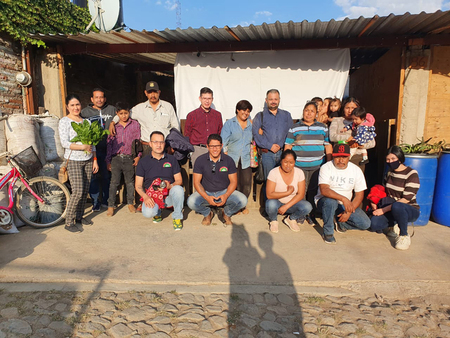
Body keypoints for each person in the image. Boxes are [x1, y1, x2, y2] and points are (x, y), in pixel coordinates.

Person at [285, 101, 332, 224]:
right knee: (301, 190)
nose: (309, 113)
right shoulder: (295, 128)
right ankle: (302, 213)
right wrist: (287, 163)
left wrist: (328, 163)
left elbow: (327, 145)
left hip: (317, 165)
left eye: (312, 111)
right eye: (307, 110)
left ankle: (311, 214)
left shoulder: (323, 127)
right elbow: (288, 146)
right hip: (299, 165)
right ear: (303, 112)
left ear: (316, 114)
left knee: (313, 190)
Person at [315, 143, 371, 244]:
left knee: (365, 223)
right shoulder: (326, 167)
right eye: (338, 157)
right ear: (333, 156)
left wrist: (349, 212)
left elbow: (359, 194)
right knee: (331, 202)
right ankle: (328, 232)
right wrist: (344, 199)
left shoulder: (356, 170)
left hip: (345, 206)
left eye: (344, 157)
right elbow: (324, 190)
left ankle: (339, 223)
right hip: (326, 202)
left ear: (349, 157)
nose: (341, 160)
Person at [187, 134, 247, 226]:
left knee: (243, 200)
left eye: (217, 146)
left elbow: (233, 181)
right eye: (212, 146)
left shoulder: (228, 160)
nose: (215, 149)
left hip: (224, 191)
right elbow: (197, 183)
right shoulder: (200, 160)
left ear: (222, 146)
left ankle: (226, 213)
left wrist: (226, 195)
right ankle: (208, 213)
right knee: (191, 202)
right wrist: (207, 197)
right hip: (207, 192)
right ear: (207, 146)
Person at [59, 94, 99, 233]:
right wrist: (82, 146)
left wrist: (95, 160)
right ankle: (68, 221)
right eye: (72, 105)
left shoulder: (86, 122)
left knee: (85, 190)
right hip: (74, 160)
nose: (75, 108)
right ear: (67, 107)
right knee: (77, 191)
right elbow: (65, 143)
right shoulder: (64, 121)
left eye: (77, 104)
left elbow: (92, 143)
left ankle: (79, 217)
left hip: (87, 160)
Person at [109, 81, 179, 157]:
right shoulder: (140, 108)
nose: (152, 95)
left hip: (165, 147)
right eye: (150, 92)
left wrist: (173, 146)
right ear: (145, 93)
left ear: (159, 92)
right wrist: (113, 122)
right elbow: (123, 113)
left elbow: (175, 128)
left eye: (155, 92)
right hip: (147, 147)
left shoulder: (168, 107)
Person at [370, 146, 420, 250]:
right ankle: (393, 226)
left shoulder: (411, 174)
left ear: (400, 158)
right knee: (374, 224)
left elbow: (407, 199)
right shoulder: (389, 172)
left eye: (393, 159)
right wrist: (374, 200)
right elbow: (384, 191)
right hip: (391, 206)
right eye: (388, 159)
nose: (390, 161)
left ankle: (404, 235)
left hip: (408, 208)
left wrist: (383, 210)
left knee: (398, 206)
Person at [135, 131, 184, 230]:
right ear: (150, 144)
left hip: (168, 195)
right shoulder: (143, 162)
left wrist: (169, 185)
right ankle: (157, 212)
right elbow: (138, 185)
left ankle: (177, 217)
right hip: (152, 196)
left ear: (164, 144)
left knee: (178, 189)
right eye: (155, 142)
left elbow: (179, 180)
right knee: (148, 213)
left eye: (161, 142)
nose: (159, 145)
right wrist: (145, 197)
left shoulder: (171, 159)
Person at [81, 88, 116, 211]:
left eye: (101, 97)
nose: (99, 99)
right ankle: (95, 202)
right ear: (92, 99)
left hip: (109, 149)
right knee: (93, 176)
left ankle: (107, 200)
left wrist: (112, 122)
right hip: (93, 149)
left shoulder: (112, 110)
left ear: (105, 99)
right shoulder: (85, 112)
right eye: (96, 97)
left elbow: (121, 116)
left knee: (107, 176)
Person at [105, 102, 142, 217]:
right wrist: (108, 160)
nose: (124, 116)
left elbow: (138, 141)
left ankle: (130, 203)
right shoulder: (114, 126)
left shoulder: (135, 125)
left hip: (129, 157)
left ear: (129, 113)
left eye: (126, 113)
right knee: (114, 182)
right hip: (116, 158)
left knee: (130, 182)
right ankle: (111, 205)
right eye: (121, 113)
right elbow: (109, 144)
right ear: (117, 114)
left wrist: (138, 155)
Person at [265, 150, 313, 233]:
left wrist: (286, 206)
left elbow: (301, 194)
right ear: (281, 161)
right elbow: (269, 195)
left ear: (295, 162)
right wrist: (287, 193)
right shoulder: (273, 172)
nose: (288, 165)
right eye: (285, 162)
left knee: (307, 207)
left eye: (291, 162)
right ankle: (273, 220)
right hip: (277, 202)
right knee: (270, 204)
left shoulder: (299, 172)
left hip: (292, 204)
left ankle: (291, 219)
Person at [221, 100, 253, 214]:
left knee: (246, 183)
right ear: (238, 110)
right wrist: (224, 157)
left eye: (248, 111)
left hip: (246, 158)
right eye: (244, 110)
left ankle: (242, 205)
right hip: (231, 158)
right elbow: (223, 142)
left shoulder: (251, 125)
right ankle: (234, 204)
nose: (246, 113)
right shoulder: (230, 123)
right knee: (233, 183)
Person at [252, 89, 293, 180]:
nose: (273, 102)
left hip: (283, 153)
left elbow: (291, 133)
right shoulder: (260, 116)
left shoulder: (286, 115)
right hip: (267, 155)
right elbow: (256, 134)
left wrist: (281, 145)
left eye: (275, 99)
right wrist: (270, 146)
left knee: (283, 180)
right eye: (271, 99)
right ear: (266, 100)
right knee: (269, 181)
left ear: (279, 100)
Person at [329, 97, 375, 168]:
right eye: (347, 108)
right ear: (343, 108)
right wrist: (349, 139)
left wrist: (359, 144)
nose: (350, 111)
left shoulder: (364, 123)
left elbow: (372, 143)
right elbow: (332, 137)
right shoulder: (337, 121)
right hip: (340, 157)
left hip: (357, 158)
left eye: (353, 108)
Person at [185, 87, 223, 166]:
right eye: (204, 98)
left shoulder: (217, 115)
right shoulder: (192, 115)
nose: (207, 101)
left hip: (214, 148)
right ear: (200, 98)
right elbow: (187, 134)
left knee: (214, 175)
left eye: (209, 98)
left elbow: (220, 132)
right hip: (198, 149)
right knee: (198, 175)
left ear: (212, 99)